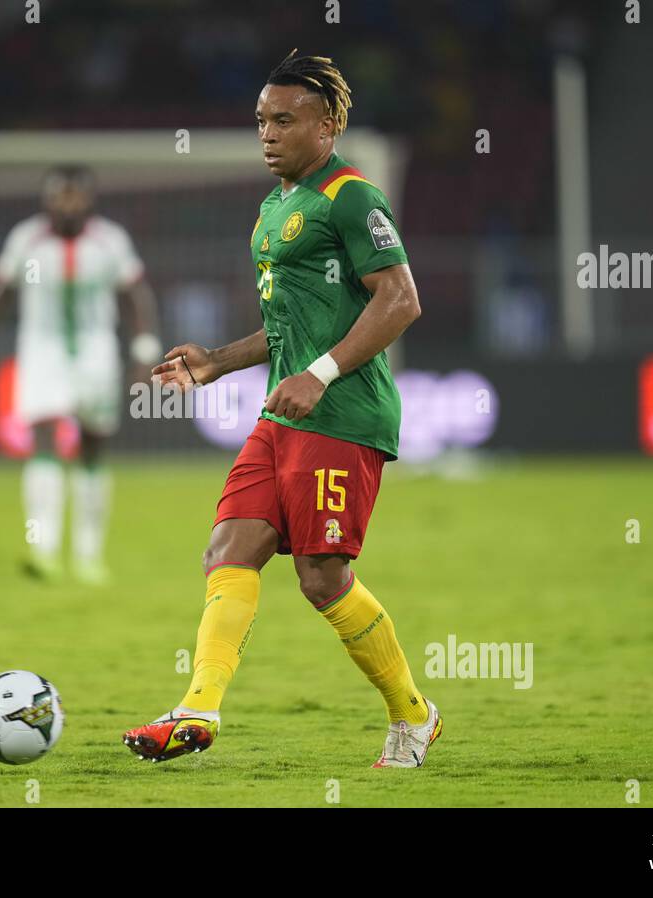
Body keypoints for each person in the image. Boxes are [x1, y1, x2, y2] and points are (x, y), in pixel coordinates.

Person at [122, 53, 439, 768]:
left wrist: (321, 374)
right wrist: (216, 362)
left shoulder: (353, 197)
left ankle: (414, 714)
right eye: (262, 120)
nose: (267, 134)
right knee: (228, 549)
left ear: (326, 127)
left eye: (284, 121)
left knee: (322, 578)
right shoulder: (275, 208)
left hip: (343, 415)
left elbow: (401, 299)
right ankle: (197, 712)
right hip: (283, 415)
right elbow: (294, 326)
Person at [0, 165, 160, 585]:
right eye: (59, 196)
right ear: (46, 200)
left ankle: (89, 556)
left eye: (75, 196)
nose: (67, 204)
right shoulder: (26, 239)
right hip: (42, 350)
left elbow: (134, 294)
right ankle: (44, 550)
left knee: (92, 447)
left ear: (89, 200)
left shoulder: (110, 240)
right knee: (46, 440)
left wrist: (144, 347)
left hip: (96, 350)